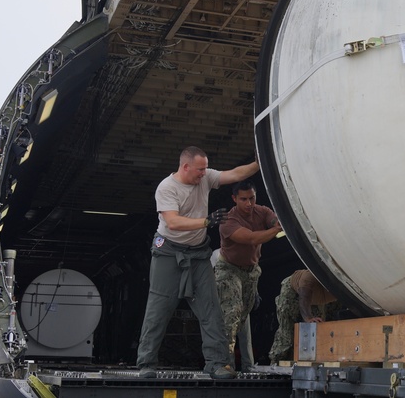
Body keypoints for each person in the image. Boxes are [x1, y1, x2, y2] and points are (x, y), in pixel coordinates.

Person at [136, 146, 260, 379]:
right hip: (168, 253)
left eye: (206, 168)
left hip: (198, 254)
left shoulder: (204, 177)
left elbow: (233, 174)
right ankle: (146, 363)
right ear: (185, 167)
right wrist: (206, 222)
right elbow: (172, 222)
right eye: (200, 169)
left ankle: (217, 364)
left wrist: (258, 163)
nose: (205, 173)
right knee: (159, 308)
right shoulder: (167, 188)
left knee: (211, 309)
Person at [215, 180, 282, 371]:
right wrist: (276, 229)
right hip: (229, 269)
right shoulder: (228, 221)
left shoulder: (262, 211)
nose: (248, 204)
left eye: (252, 198)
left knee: (243, 317)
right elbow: (252, 239)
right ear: (234, 199)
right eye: (243, 199)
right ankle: (224, 364)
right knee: (231, 313)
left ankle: (246, 364)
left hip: (251, 272)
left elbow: (273, 219)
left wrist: (277, 222)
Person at [268, 269, 338, 364]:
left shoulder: (342, 285)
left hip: (314, 299)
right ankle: (276, 361)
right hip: (293, 292)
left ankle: (310, 361)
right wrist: (308, 318)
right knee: (287, 332)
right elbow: (304, 298)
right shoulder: (309, 277)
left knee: (317, 328)